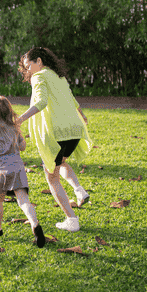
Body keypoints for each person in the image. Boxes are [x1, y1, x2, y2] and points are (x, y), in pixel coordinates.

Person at [16, 47, 93, 233]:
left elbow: (40, 102)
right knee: (61, 162)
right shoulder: (59, 77)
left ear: (39, 61)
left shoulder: (39, 76)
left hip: (57, 133)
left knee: (52, 177)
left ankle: (71, 220)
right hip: (74, 130)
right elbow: (73, 100)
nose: (28, 71)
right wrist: (82, 116)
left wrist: (19, 119)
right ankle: (79, 190)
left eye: (29, 66)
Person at [0, 96, 45, 248]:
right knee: (23, 200)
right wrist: (20, 135)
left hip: (0, 170)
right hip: (17, 169)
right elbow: (23, 147)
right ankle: (34, 223)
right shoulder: (14, 129)